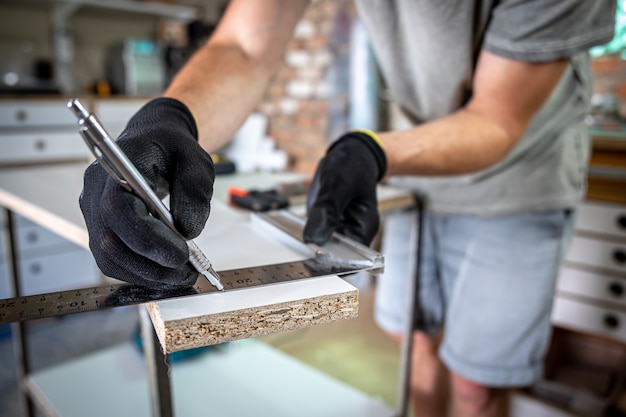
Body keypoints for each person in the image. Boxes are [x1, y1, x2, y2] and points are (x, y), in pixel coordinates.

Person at [79, 1, 616, 416]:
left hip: (518, 174)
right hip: (415, 163)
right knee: (415, 346)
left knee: (476, 384)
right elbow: (245, 43)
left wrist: (371, 150)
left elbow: (497, 120)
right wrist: (169, 118)